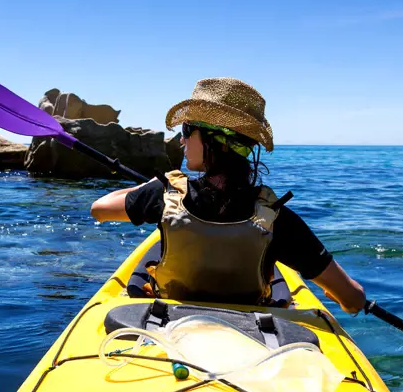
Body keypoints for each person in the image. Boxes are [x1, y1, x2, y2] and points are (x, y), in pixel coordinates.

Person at [90, 77, 366, 314]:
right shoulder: (276, 218)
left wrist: (148, 186)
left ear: (212, 141)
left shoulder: (163, 196)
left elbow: (99, 209)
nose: (182, 140)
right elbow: (352, 298)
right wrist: (349, 299)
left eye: (187, 130)